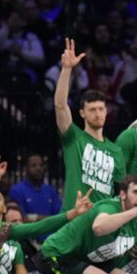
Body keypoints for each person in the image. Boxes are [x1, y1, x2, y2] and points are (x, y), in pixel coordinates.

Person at [54, 38, 125, 210]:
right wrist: (67, 69)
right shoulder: (74, 138)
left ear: (106, 111)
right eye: (92, 109)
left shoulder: (116, 151)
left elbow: (120, 194)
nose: (98, 113)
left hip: (102, 221)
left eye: (101, 109)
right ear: (82, 113)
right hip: (73, 218)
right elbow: (60, 105)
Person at [8, 154, 62, 219]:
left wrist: (37, 218)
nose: (38, 168)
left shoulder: (50, 190)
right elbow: (21, 218)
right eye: (34, 165)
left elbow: (59, 216)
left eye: (41, 165)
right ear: (26, 169)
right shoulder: (17, 190)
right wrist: (49, 220)